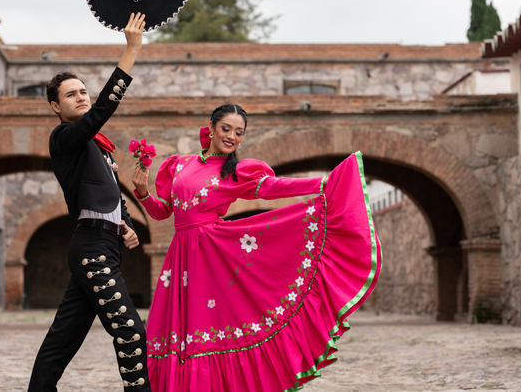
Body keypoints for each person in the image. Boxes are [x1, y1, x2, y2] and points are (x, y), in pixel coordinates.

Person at [131, 104, 382, 392]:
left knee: (209, 325)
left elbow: (274, 187)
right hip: (180, 256)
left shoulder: (236, 171)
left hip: (212, 254)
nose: (232, 137)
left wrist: (323, 183)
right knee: (177, 330)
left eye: (239, 133)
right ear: (211, 128)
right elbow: (164, 213)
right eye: (226, 129)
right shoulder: (179, 165)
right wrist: (143, 193)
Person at [28, 13, 151, 391]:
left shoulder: (97, 148)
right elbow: (102, 111)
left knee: (62, 340)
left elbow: (110, 191)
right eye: (71, 94)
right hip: (92, 250)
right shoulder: (65, 138)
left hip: (105, 246)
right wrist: (130, 52)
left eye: (83, 91)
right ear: (55, 106)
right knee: (131, 332)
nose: (81, 97)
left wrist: (126, 223)